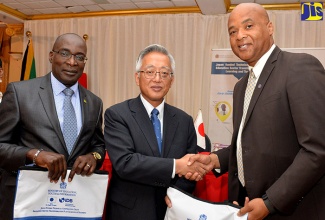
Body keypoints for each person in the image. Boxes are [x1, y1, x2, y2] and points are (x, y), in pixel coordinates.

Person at [184, 3, 325, 220]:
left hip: (293, 209)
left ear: (270, 28)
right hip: (248, 206)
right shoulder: (241, 87)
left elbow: (317, 150)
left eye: (248, 26)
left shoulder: (299, 67)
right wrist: (215, 160)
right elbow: (248, 143)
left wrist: (271, 202)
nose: (240, 36)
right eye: (232, 32)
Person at [0, 33, 105, 219]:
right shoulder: (20, 93)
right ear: (51, 56)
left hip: (73, 204)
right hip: (28, 202)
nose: (72, 62)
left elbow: (98, 146)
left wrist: (93, 157)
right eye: (65, 53)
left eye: (79, 57)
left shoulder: (94, 102)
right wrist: (35, 155)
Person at [104, 44, 201, 220]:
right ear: (137, 77)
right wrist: (176, 165)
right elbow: (126, 163)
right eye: (150, 72)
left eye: (164, 73)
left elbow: (190, 168)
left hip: (171, 209)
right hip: (129, 212)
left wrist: (176, 196)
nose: (157, 79)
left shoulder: (184, 120)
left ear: (171, 80)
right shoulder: (117, 115)